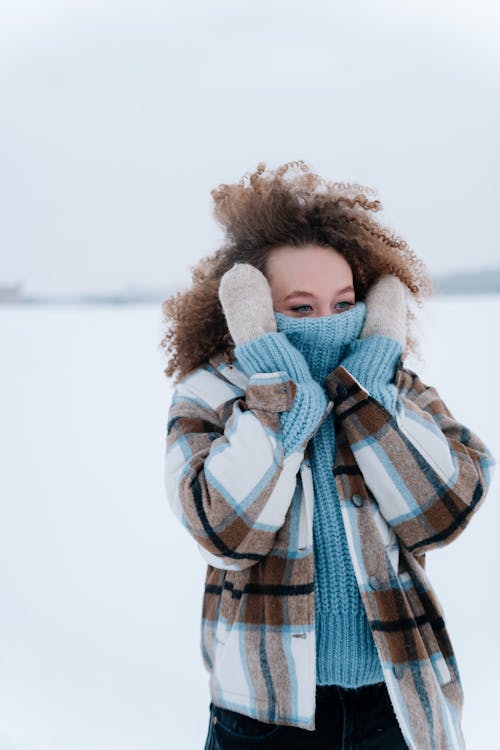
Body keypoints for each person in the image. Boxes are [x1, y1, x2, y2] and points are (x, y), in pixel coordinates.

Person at [161, 161, 496, 750]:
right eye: (301, 307)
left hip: (396, 702)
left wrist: (367, 388)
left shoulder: (397, 388)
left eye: (345, 304)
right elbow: (226, 530)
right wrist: (276, 388)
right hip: (266, 714)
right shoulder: (211, 394)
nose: (328, 325)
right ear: (254, 312)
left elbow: (445, 509)